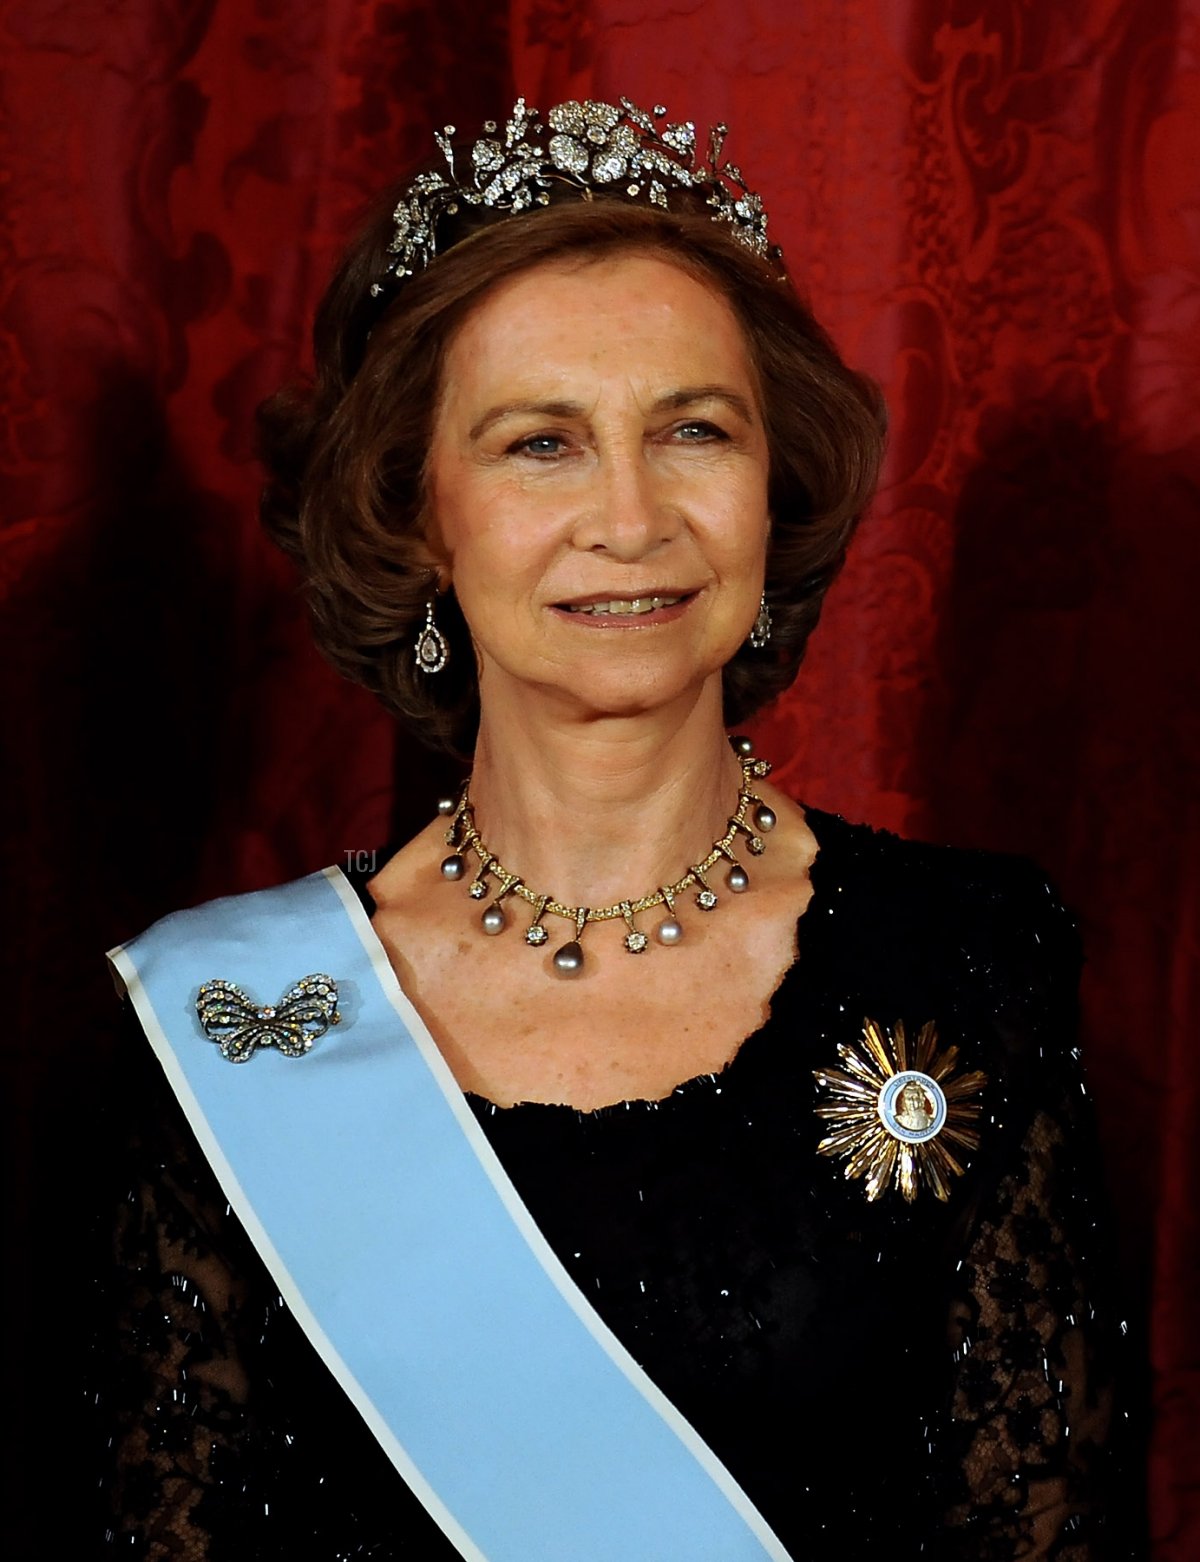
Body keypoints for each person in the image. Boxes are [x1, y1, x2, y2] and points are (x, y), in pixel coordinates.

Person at [94, 98, 1131, 1560]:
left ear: (776, 487)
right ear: (418, 514)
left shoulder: (970, 963)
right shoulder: (239, 1024)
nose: (630, 515)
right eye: (541, 444)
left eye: (692, 430)